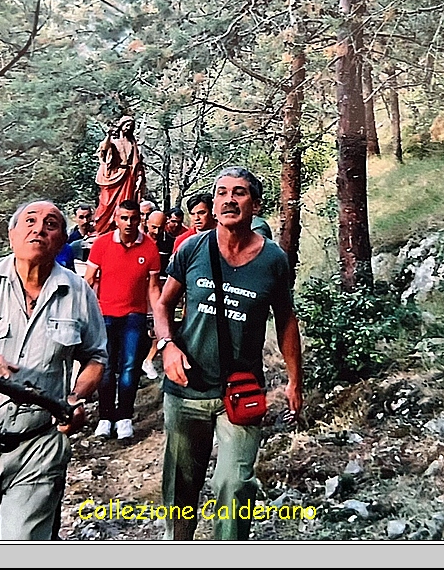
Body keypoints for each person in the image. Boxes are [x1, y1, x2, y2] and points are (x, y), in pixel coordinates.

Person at [0, 200, 107, 540]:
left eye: (51, 223)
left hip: (37, 445)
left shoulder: (78, 292)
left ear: (61, 241)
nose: (39, 228)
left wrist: (74, 399)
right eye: (29, 221)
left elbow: (97, 358)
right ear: (12, 234)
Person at [153, 167, 303, 540]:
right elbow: (162, 305)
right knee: (180, 488)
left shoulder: (273, 260)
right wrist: (167, 346)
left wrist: (294, 381)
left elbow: (286, 321)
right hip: (186, 390)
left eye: (239, 192)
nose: (228, 200)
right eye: (221, 193)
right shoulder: (192, 248)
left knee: (235, 484)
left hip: (240, 393)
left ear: (255, 203)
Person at [85, 200, 162, 441]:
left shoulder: (149, 248)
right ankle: (105, 417)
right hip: (104, 315)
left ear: (140, 219)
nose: (129, 223)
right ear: (116, 219)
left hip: (133, 316)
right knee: (106, 368)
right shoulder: (102, 244)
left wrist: (159, 317)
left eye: (133, 218)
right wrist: (84, 313)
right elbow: (89, 280)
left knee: (130, 366)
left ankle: (125, 417)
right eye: (124, 218)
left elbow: (153, 288)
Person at [94, 116, 146, 233]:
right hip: (114, 177)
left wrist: (139, 177)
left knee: (125, 205)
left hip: (128, 178)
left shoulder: (133, 144)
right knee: (106, 203)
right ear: (121, 126)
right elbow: (104, 150)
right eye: (126, 125)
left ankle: (120, 229)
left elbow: (138, 163)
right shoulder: (114, 141)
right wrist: (108, 136)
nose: (128, 128)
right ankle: (102, 229)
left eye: (131, 126)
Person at [140, 210, 175, 380]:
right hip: (139, 291)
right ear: (146, 222)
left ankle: (149, 359)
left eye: (160, 227)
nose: (156, 231)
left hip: (158, 289)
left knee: (158, 326)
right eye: (153, 227)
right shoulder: (138, 240)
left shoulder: (169, 242)